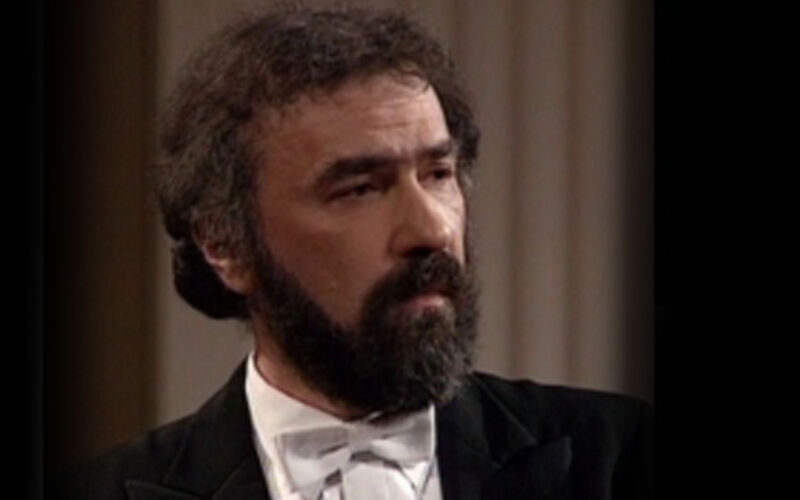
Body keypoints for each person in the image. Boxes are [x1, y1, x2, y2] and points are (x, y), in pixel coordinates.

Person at [70, 5, 653, 500]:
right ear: (225, 245)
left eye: (438, 174)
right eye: (360, 189)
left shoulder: (621, 458)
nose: (431, 230)